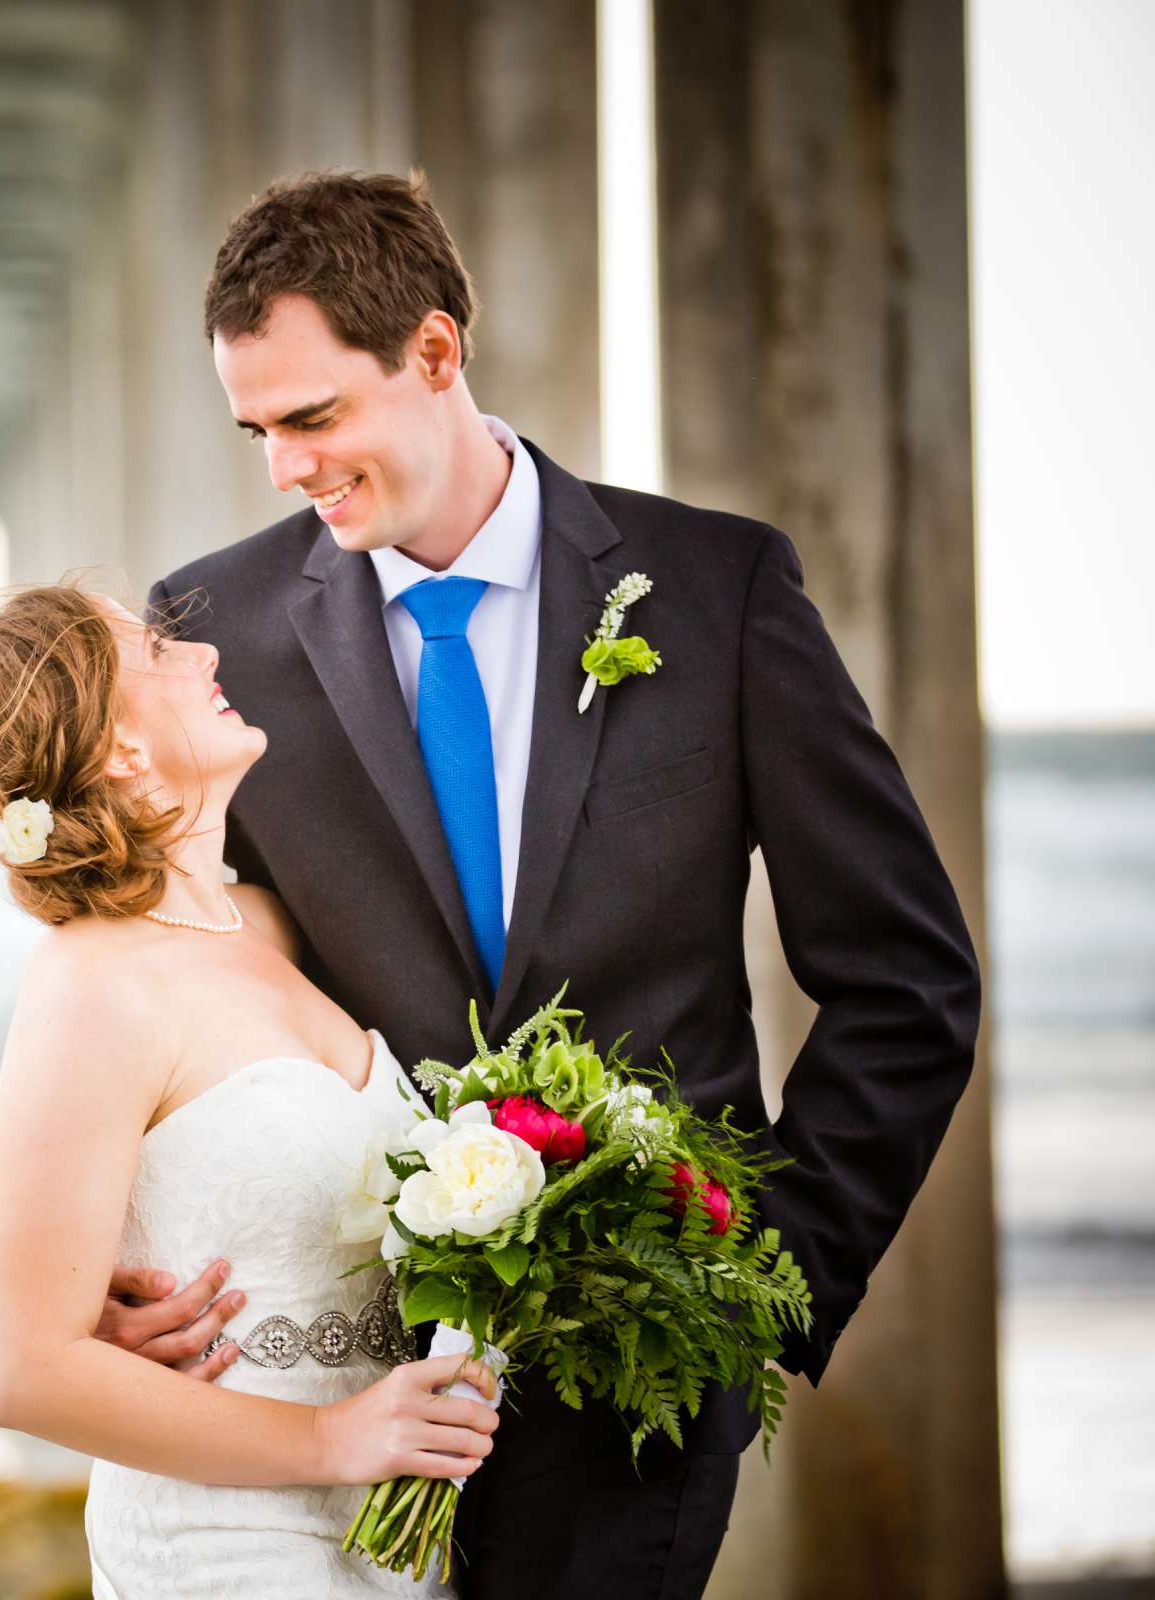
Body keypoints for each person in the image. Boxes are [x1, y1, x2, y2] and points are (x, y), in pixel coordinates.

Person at [88, 170, 980, 1597]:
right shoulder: (213, 628)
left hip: (633, 1379)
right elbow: (129, 956)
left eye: (313, 418)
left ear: (435, 353)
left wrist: (770, 1286)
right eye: (256, 429)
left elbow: (907, 979)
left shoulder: (717, 590)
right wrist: (99, 1251)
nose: (284, 468)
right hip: (322, 1369)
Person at [0, 581, 502, 1597]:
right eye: (160, 656)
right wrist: (329, 1436)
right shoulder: (91, 979)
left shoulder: (269, 926)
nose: (204, 657)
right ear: (118, 752)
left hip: (395, 1536)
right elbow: (17, 1369)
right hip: (231, 1545)